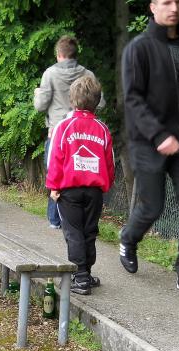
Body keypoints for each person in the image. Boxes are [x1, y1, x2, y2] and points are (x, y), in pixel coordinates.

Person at [120, 0, 179, 299]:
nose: (174, 7)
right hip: (149, 140)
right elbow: (132, 99)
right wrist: (158, 134)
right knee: (152, 207)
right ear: (152, 6)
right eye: (166, 1)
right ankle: (128, 239)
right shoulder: (139, 48)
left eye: (178, 1)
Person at [46, 76, 115, 295]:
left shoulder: (64, 127)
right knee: (89, 231)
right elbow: (109, 161)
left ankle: (81, 277)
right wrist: (106, 185)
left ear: (71, 100)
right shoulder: (102, 129)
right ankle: (86, 271)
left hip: (69, 190)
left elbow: (55, 159)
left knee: (73, 231)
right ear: (96, 101)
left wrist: (53, 186)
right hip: (94, 190)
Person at [34, 35, 105, 229]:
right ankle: (81, 221)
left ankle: (54, 220)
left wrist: (38, 93)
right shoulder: (88, 74)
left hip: (57, 131)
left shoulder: (49, 74)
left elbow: (41, 106)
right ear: (75, 54)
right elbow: (102, 103)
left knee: (55, 174)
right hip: (85, 133)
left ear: (59, 54)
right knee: (83, 174)